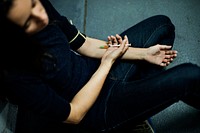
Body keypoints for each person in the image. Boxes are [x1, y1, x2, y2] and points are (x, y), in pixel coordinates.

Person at [0, 0, 200, 132]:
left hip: (93, 69)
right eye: (28, 22)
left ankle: (135, 107)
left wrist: (143, 54)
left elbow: (84, 44)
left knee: (161, 27)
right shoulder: (13, 74)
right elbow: (75, 113)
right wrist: (107, 63)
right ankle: (129, 110)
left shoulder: (32, 6)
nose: (41, 16)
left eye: (35, 4)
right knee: (189, 76)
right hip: (91, 110)